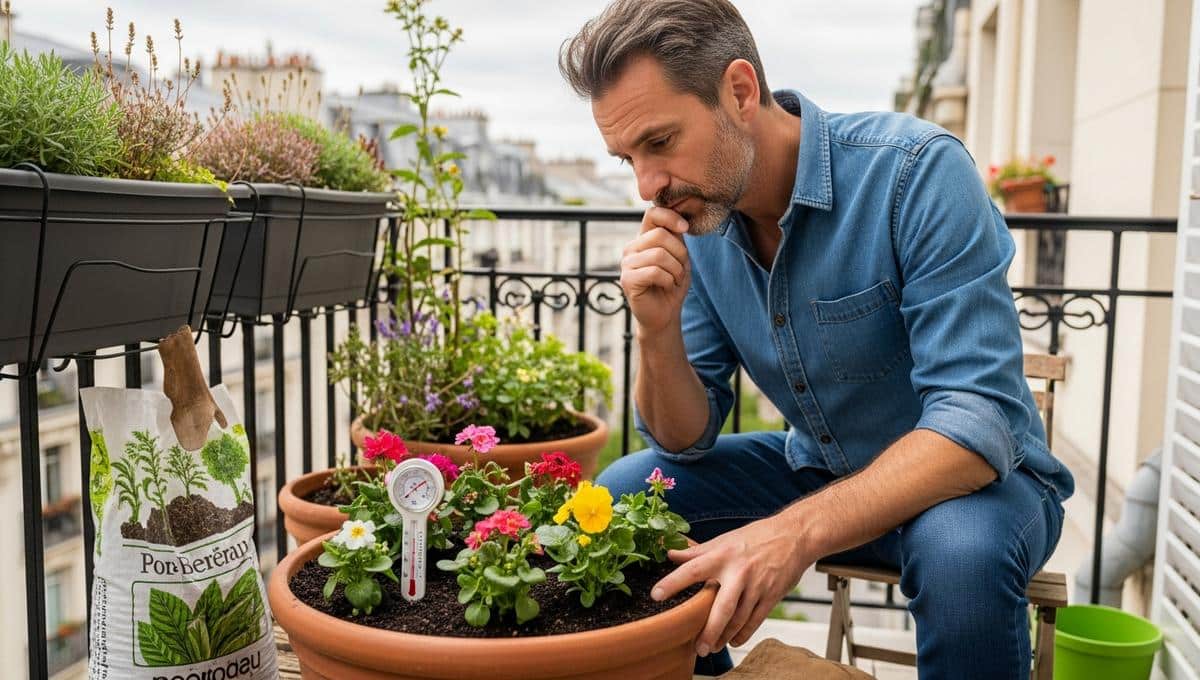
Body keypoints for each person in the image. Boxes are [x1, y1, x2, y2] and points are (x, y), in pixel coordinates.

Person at [559, 1, 1074, 677]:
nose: (647, 185)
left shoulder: (914, 173)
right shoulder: (701, 217)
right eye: (627, 158)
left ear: (740, 92)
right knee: (631, 493)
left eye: (659, 142)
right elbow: (684, 438)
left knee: (960, 558)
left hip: (976, 485)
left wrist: (792, 534)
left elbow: (976, 418)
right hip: (822, 466)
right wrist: (656, 332)